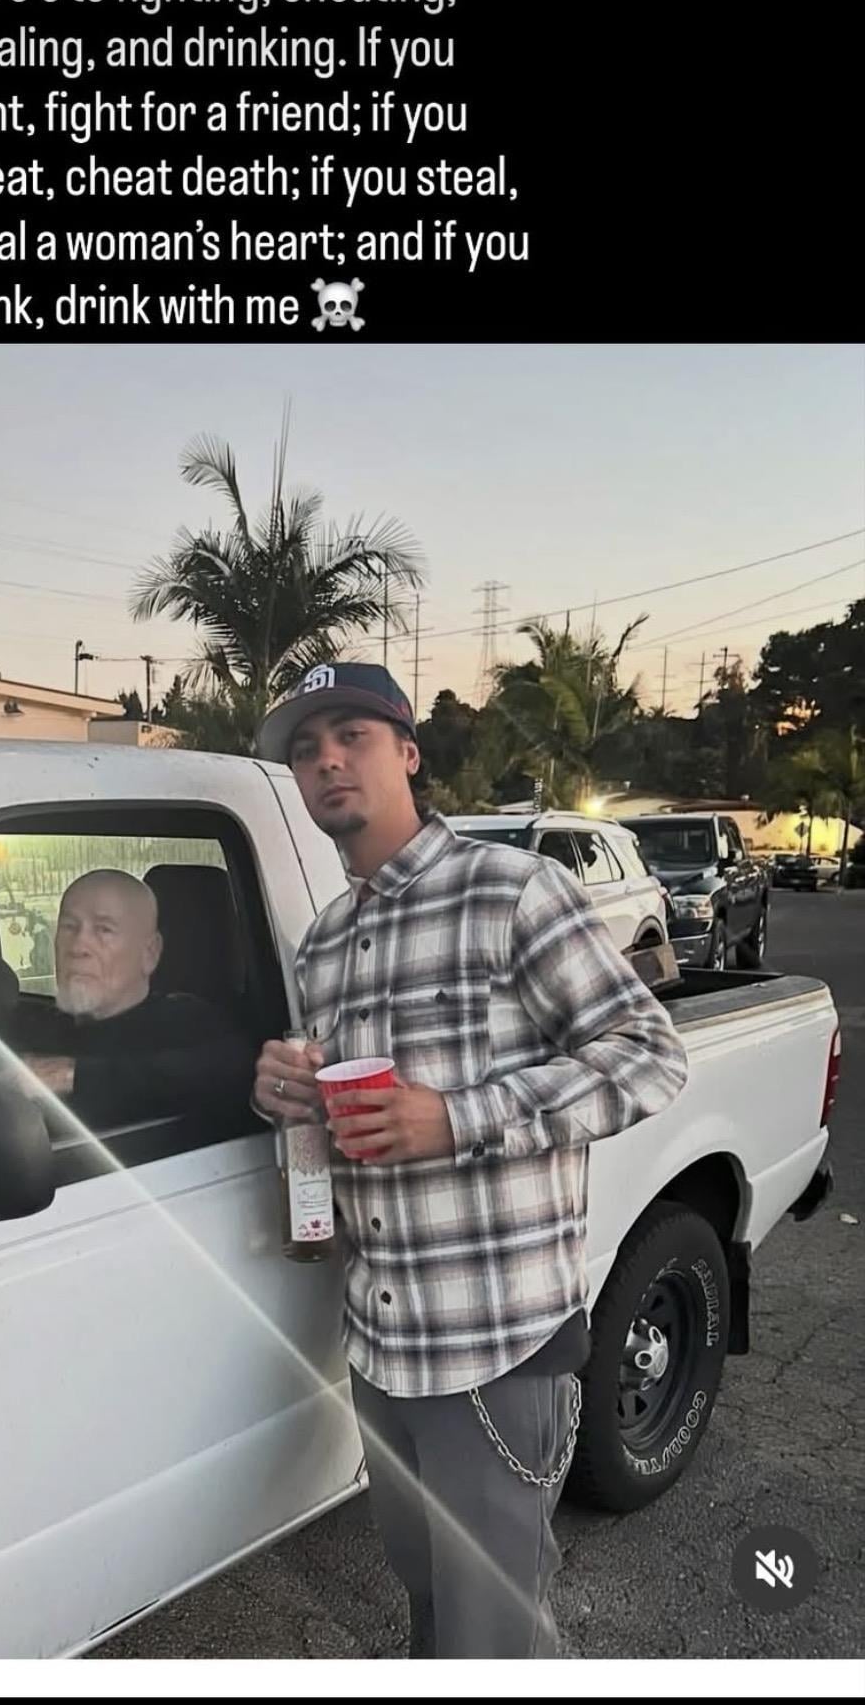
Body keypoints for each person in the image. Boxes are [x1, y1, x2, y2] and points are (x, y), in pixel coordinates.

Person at [250, 662, 689, 1660]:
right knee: (433, 1609)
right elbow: (336, 1126)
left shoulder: (514, 890)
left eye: (351, 735)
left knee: (498, 1633)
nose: (326, 760)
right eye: (306, 749)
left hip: (495, 1348)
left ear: (408, 752)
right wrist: (286, 1094)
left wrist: (453, 1118)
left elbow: (649, 1057)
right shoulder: (324, 945)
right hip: (381, 1346)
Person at [10, 868, 254, 1136]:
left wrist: (72, 1076)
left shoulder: (188, 1026)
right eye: (69, 927)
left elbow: (228, 1070)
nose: (78, 947)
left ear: (150, 953)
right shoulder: (31, 1024)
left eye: (104, 930)